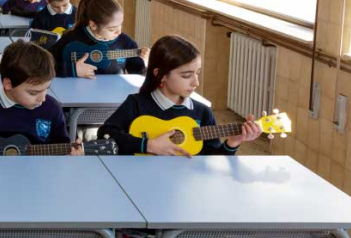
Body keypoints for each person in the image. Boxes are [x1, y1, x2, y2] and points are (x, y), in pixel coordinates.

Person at [98, 35, 262, 155]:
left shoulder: (202, 112)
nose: (195, 82)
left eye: (197, 73)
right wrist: (147, 145)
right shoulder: (137, 104)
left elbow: (212, 158)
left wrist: (233, 143)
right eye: (186, 75)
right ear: (160, 74)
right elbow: (105, 134)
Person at [49, 0, 148, 78]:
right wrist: (72, 70)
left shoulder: (126, 43)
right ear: (93, 25)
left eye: (120, 25)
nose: (119, 32)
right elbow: (43, 66)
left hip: (112, 98)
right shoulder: (71, 38)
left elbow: (140, 76)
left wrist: (147, 63)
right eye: (112, 29)